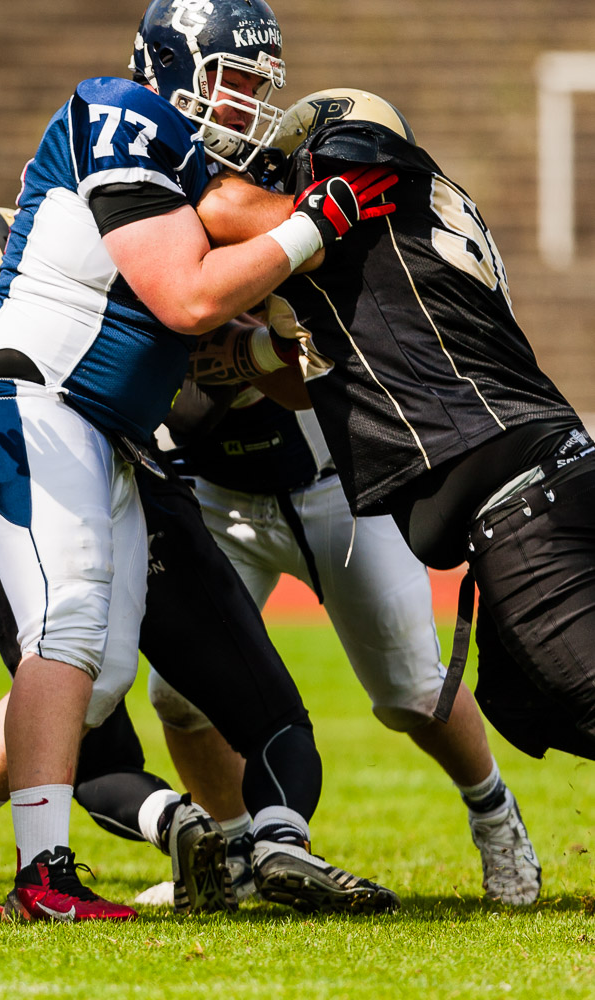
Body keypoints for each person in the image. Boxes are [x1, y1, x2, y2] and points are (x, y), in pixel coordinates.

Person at [0, 0, 400, 921]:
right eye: (233, 83)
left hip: (99, 426)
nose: (249, 107)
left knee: (100, 669)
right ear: (170, 66)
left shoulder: (189, 165)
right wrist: (312, 228)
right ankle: (45, 878)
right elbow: (187, 299)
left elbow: (240, 340)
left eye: (259, 89)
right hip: (31, 394)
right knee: (66, 629)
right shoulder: (121, 110)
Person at [199, 86, 588, 866]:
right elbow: (323, 371)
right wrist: (255, 351)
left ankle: (497, 824)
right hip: (547, 474)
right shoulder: (404, 229)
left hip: (522, 498)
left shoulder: (369, 181)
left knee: (577, 692)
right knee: (533, 706)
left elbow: (223, 209)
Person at [147, 360, 540, 905]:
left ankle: (495, 814)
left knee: (415, 694)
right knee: (178, 694)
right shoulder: (151, 277)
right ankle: (235, 853)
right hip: (218, 493)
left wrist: (237, 345)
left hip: (339, 486)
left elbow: (217, 386)